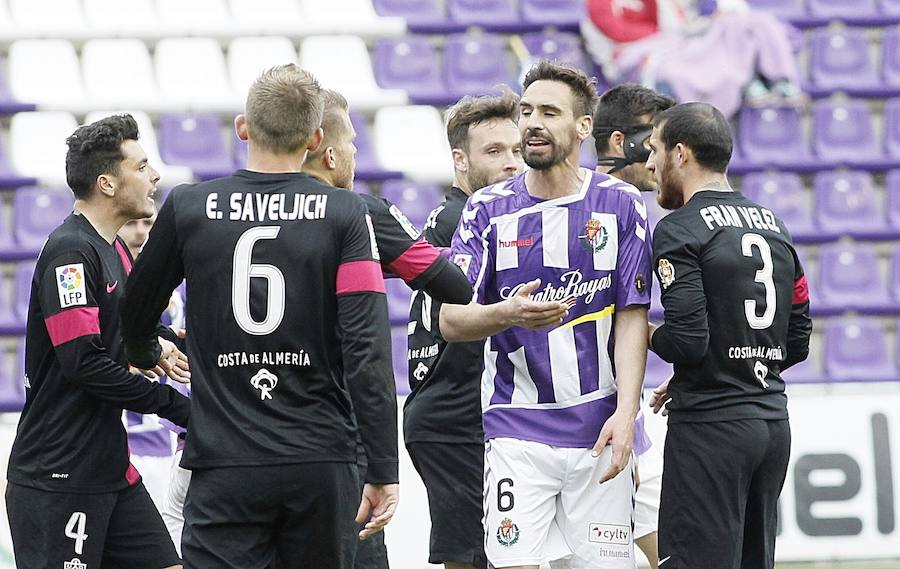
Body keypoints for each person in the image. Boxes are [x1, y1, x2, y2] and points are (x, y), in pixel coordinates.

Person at [120, 64, 400, 569]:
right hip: (320, 460)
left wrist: (145, 350)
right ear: (316, 137)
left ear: (243, 127)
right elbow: (368, 348)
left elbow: (135, 310)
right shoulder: (344, 213)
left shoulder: (188, 206)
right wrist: (382, 466)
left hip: (224, 461)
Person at [440, 60, 653, 569]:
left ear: (583, 127)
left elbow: (631, 317)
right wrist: (506, 314)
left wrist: (626, 416)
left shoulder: (620, 203)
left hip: (599, 431)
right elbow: (450, 320)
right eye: (527, 110)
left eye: (549, 112)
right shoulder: (487, 210)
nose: (532, 122)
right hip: (518, 431)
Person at [5, 114, 191, 569]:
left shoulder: (114, 249)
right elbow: (84, 363)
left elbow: (119, 333)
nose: (155, 175)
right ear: (107, 183)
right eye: (142, 165)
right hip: (60, 475)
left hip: (109, 468)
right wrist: (174, 405)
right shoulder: (71, 253)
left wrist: (166, 341)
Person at [644, 102, 812, 569]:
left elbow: (687, 341)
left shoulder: (679, 229)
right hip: (771, 426)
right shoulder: (775, 227)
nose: (651, 164)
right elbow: (796, 340)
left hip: (710, 433)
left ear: (681, 154)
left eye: (655, 150)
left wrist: (643, 333)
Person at [405, 92, 523, 569]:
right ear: (460, 160)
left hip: (457, 409)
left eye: (516, 150)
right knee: (473, 556)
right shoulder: (464, 219)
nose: (512, 164)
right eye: (494, 152)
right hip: (452, 412)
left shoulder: (463, 214)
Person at [592, 83, 676, 569]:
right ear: (621, 142)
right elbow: (594, 323)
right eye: (657, 139)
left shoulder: (634, 206)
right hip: (596, 420)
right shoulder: (605, 208)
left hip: (622, 415)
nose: (660, 156)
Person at [118, 214, 184, 510]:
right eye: (132, 223)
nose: (140, 232)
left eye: (148, 224)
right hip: (120, 439)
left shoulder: (179, 291)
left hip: (164, 436)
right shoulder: (105, 282)